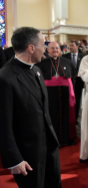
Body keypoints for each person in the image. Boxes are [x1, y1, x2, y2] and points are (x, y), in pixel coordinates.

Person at [0, 27, 61, 187]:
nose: (45, 49)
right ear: (31, 48)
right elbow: (3, 124)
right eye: (43, 45)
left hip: (49, 149)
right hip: (27, 156)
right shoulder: (5, 78)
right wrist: (14, 160)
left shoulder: (37, 70)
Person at [37, 41, 77, 146]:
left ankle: (68, 138)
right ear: (48, 50)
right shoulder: (42, 63)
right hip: (50, 96)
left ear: (60, 50)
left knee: (67, 115)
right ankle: (52, 140)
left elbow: (72, 80)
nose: (55, 50)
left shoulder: (67, 62)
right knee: (51, 115)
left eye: (57, 48)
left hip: (65, 95)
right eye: (52, 48)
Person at [62, 41, 84, 123]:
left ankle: (75, 119)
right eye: (69, 45)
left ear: (77, 46)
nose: (70, 47)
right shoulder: (64, 56)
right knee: (67, 99)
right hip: (68, 81)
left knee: (77, 100)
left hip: (79, 82)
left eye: (72, 45)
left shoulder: (83, 57)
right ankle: (67, 117)